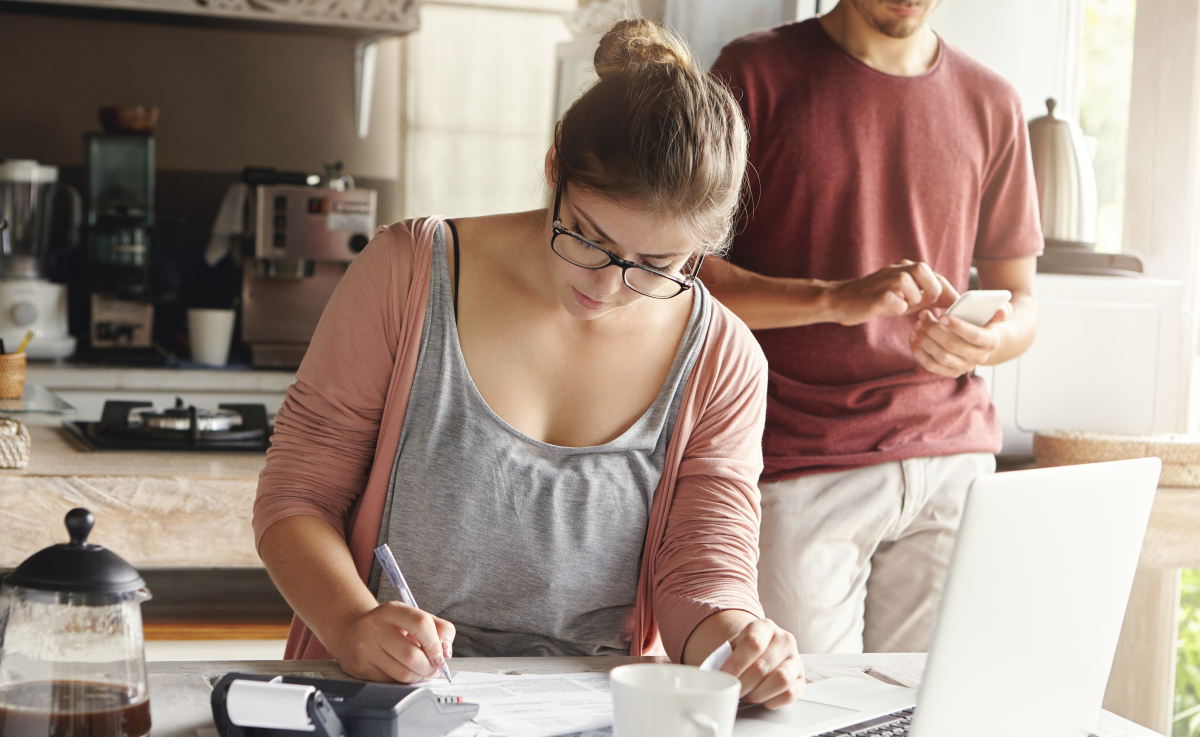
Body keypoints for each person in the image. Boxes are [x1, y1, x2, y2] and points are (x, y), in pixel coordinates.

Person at [253, 19, 804, 709]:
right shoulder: (406, 274)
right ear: (554, 169)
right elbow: (296, 499)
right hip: (388, 698)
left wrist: (740, 643)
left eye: (656, 265)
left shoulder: (721, 358)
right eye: (590, 237)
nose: (607, 286)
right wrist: (351, 622)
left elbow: (703, 569)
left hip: (593, 712)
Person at [704, 0, 1042, 654]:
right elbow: (691, 281)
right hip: (801, 460)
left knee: (933, 713)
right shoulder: (752, 75)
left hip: (953, 461)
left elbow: (1024, 301)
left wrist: (988, 339)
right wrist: (834, 298)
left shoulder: (993, 101)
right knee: (806, 713)